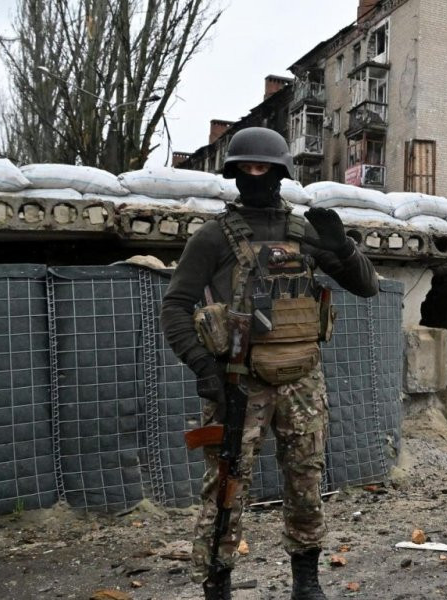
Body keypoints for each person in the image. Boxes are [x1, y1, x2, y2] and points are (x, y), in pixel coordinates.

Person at [160, 127, 378, 599]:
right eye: (245, 168)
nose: (254, 175)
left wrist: (343, 248)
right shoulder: (213, 237)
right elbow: (175, 307)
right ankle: (217, 584)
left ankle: (307, 581)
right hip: (238, 380)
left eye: (263, 168)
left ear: (280, 173)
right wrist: (204, 368)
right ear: (234, 174)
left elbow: (367, 287)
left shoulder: (304, 233)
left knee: (306, 481)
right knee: (225, 488)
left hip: (302, 379)